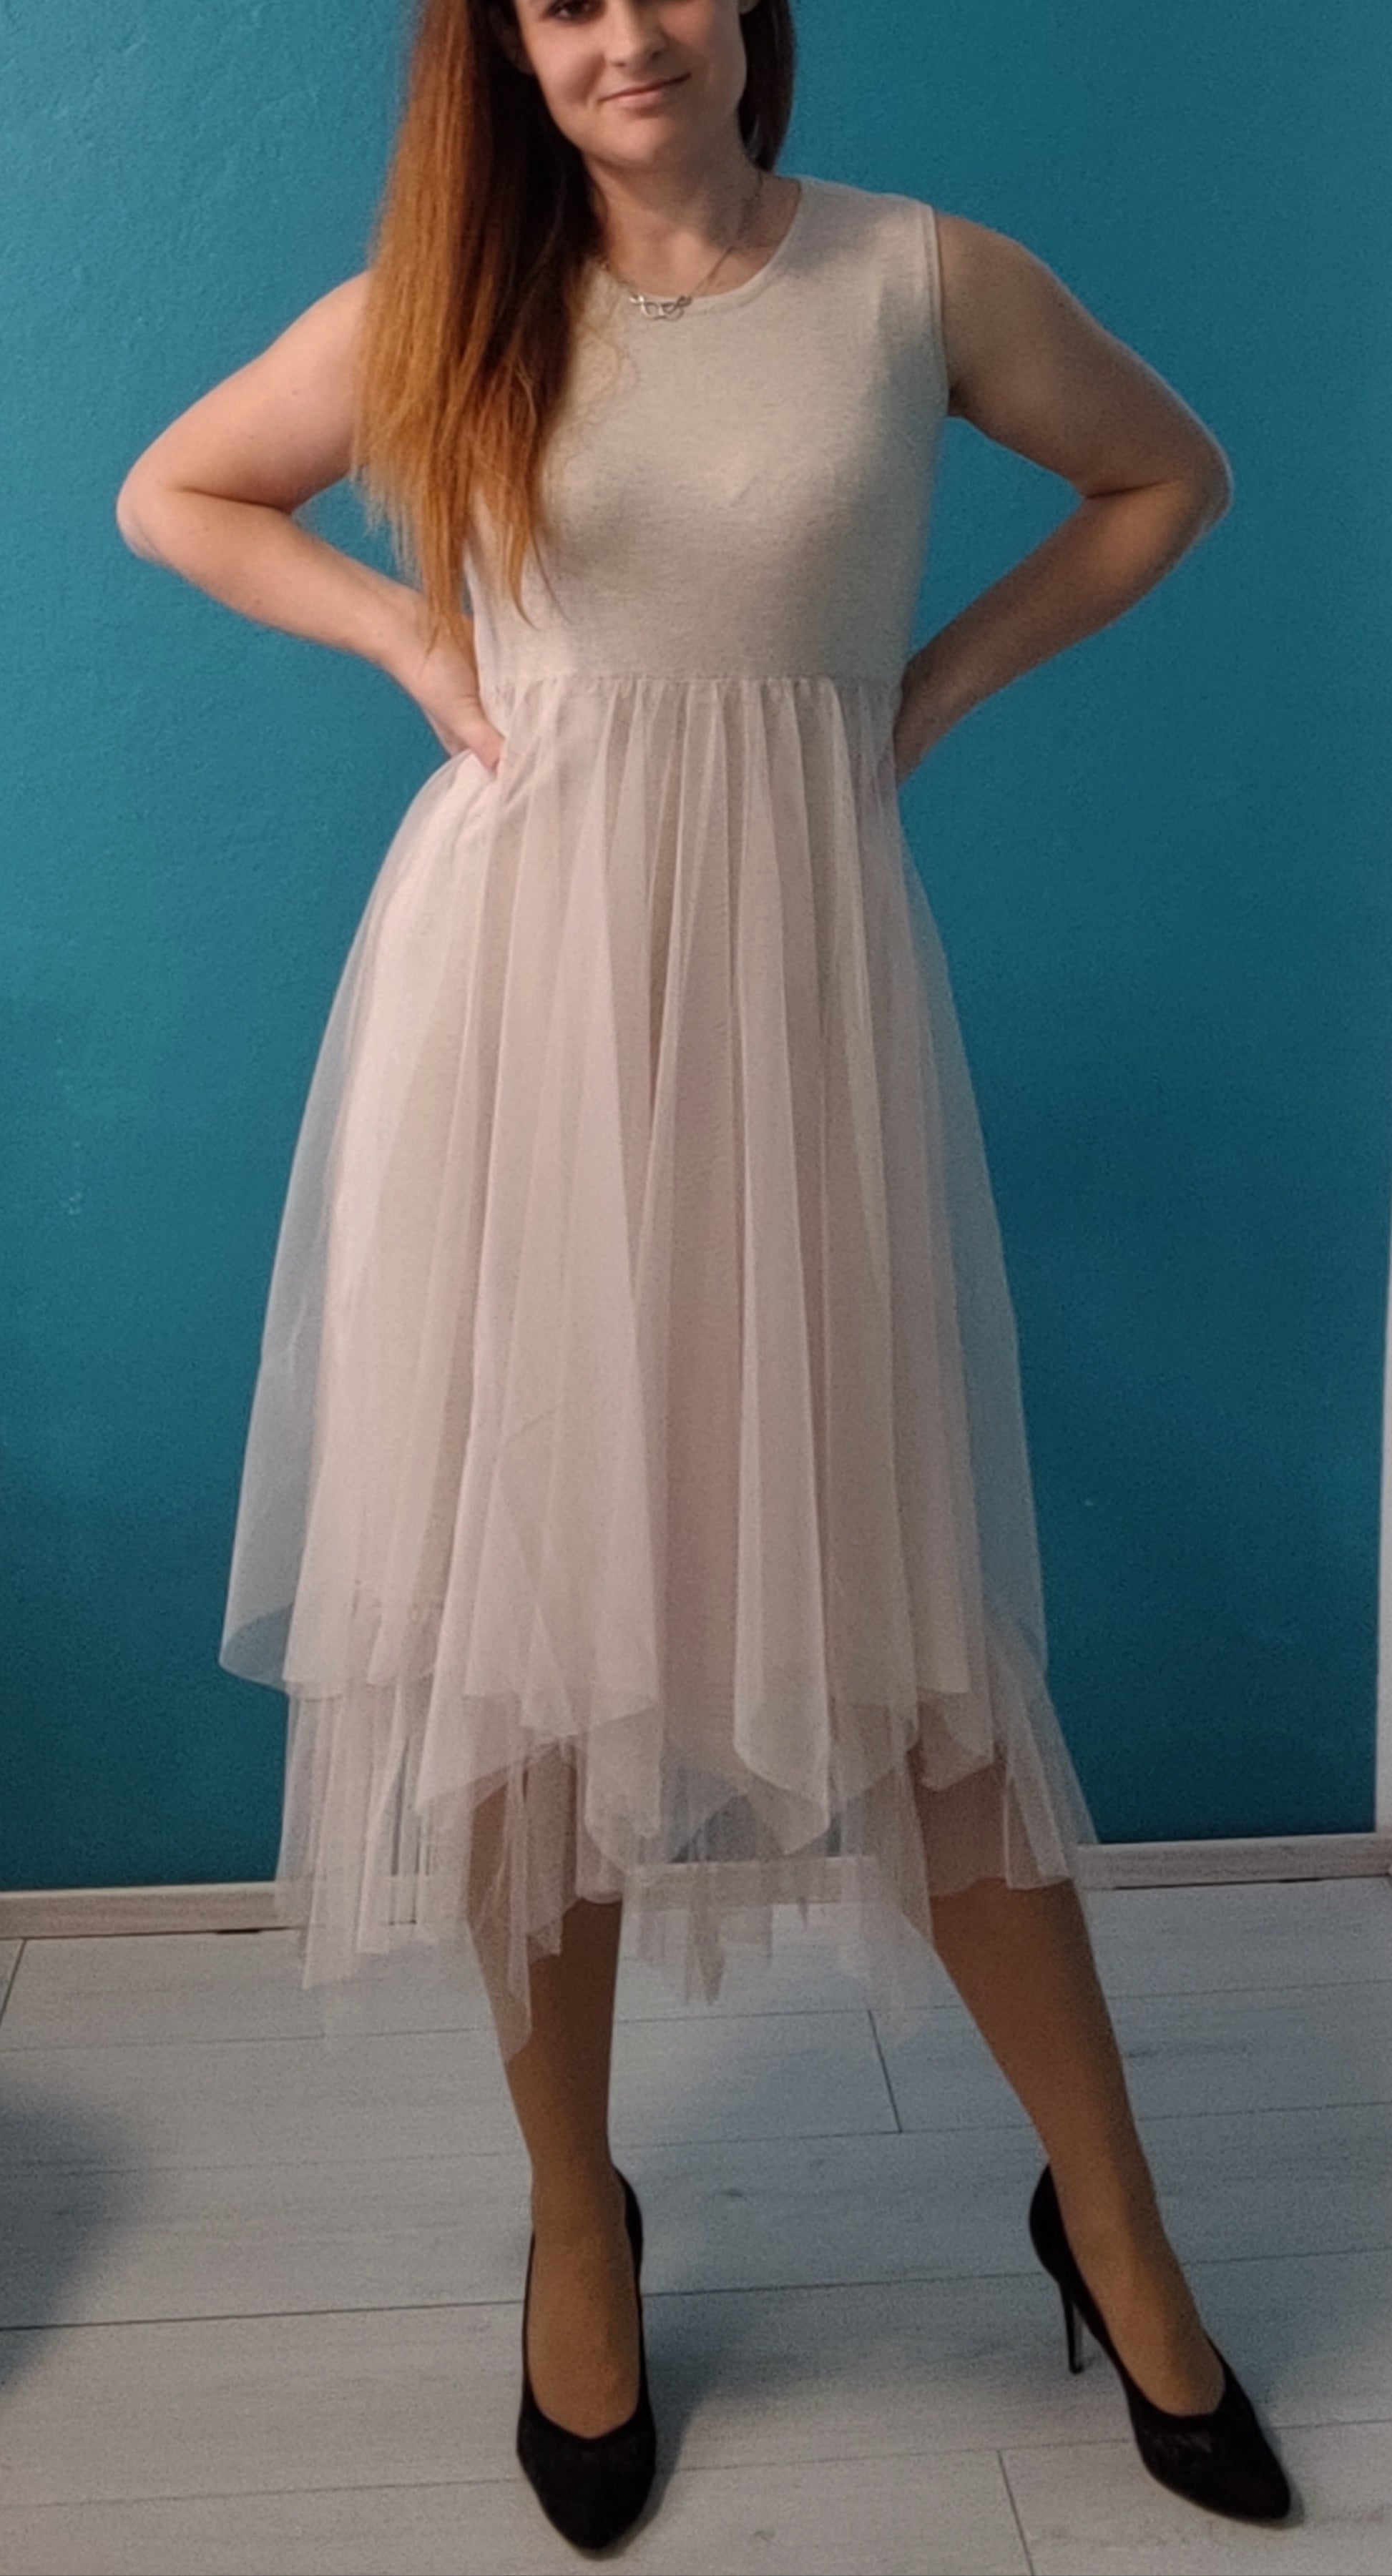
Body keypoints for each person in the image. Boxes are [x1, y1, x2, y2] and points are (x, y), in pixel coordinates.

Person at [116, 0, 1291, 2552]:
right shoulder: (453, 300)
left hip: (796, 1018)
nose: (618, 32)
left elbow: (1164, 475)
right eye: (556, 0)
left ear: (751, 13)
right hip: (512, 1019)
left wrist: (919, 692)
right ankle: (579, 2221)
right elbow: (171, 490)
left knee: (915, 1647)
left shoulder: (917, 280)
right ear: (508, 49)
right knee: (519, 1652)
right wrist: (407, 640)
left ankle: (1109, 2218)